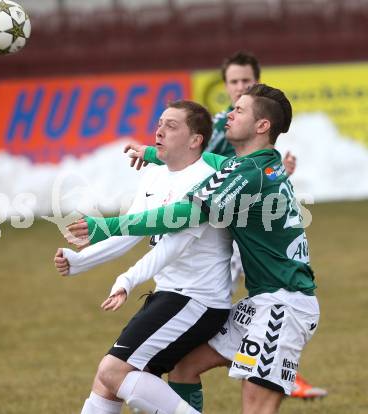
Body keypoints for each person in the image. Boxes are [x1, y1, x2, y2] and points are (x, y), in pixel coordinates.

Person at [66, 84, 321, 414]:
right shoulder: (253, 165)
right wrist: (155, 153)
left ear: (262, 126)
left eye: (240, 110)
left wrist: (107, 227)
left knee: (256, 408)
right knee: (184, 366)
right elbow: (205, 160)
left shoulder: (249, 172)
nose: (229, 113)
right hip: (261, 300)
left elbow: (183, 216)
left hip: (282, 306)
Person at [56, 100, 235, 414]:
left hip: (198, 300)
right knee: (107, 382)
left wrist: (127, 280)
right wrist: (79, 261)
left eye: (172, 125)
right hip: (170, 295)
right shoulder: (154, 176)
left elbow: (171, 248)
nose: (159, 130)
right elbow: (133, 230)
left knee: (113, 371)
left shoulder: (206, 182)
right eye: (160, 123)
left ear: (195, 140)